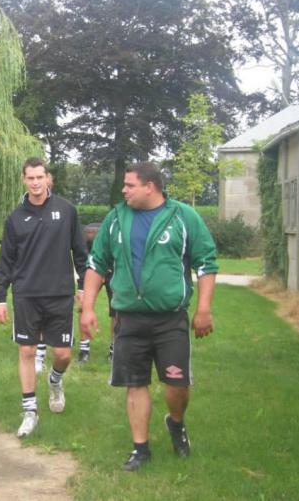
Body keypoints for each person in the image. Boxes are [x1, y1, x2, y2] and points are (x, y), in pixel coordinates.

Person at [80, 162, 218, 472]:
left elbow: (206, 263)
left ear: (150, 187)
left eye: (129, 185)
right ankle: (140, 449)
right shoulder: (116, 219)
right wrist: (87, 308)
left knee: (177, 386)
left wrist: (204, 309)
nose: (123, 190)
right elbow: (96, 264)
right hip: (129, 318)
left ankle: (176, 422)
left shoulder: (183, 216)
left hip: (170, 319)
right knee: (135, 383)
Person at [0, 157, 87, 438]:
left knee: (62, 354)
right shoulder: (15, 218)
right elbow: (5, 261)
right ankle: (30, 411)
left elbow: (80, 252)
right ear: (24, 180)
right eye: (30, 178)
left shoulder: (66, 210)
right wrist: (0, 297)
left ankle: (55, 381)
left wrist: (83, 285)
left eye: (39, 177)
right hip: (26, 295)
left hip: (60, 294)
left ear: (48, 178)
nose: (35, 183)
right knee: (26, 351)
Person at [76, 223, 115, 365]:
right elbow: (82, 259)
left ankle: (114, 350)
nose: (91, 234)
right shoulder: (84, 240)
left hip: (113, 270)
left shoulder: (114, 233)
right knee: (83, 306)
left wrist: (108, 271)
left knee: (117, 311)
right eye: (90, 233)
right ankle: (84, 348)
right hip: (92, 270)